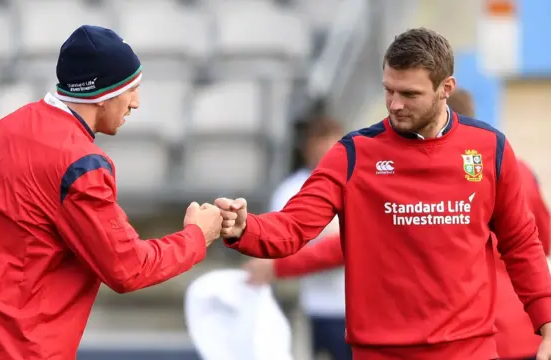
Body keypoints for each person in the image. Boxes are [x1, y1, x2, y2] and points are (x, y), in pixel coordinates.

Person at [214, 27, 551, 359]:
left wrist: (547, 323)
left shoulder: (489, 148)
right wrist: (246, 228)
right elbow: (294, 226)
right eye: (389, 90)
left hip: (469, 350)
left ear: (446, 88)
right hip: (380, 352)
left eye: (410, 94)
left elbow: (521, 243)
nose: (395, 104)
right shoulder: (354, 154)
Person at [0, 25, 223, 360]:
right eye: (131, 89)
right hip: (19, 348)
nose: (136, 103)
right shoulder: (81, 163)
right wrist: (197, 236)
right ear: (103, 95)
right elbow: (128, 268)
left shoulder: (2, 130)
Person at [448, 88, 551, 360]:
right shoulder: (518, 169)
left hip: (464, 333)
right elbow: (543, 242)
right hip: (523, 325)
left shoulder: (425, 179)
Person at [243, 115, 350, 360]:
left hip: (359, 309)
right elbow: (277, 242)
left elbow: (345, 247)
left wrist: (280, 265)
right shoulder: (292, 190)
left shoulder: (360, 183)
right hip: (312, 306)